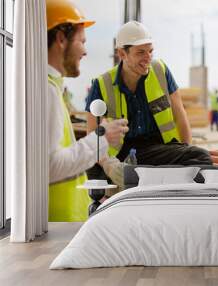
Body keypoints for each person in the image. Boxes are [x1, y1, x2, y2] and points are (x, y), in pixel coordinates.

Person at [85, 21, 212, 188]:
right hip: (123, 155)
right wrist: (110, 165)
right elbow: (92, 136)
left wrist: (185, 152)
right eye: (141, 52)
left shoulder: (161, 71)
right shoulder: (101, 84)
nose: (148, 57)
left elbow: (180, 115)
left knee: (200, 157)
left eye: (151, 51)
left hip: (159, 149)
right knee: (93, 166)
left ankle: (140, 178)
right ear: (122, 53)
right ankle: (143, 176)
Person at [46, 0, 129, 221]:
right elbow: (49, 166)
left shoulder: (49, 86)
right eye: (82, 41)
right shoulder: (45, 91)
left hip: (61, 220)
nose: (85, 50)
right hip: (56, 224)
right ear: (61, 39)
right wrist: (101, 139)